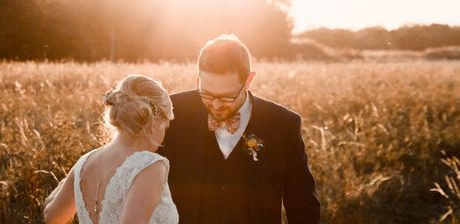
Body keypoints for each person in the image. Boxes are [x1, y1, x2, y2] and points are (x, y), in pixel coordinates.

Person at [159, 35, 321, 224]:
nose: (216, 105)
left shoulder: (283, 124)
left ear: (249, 80)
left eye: (227, 96)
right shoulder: (171, 113)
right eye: (207, 94)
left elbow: (302, 203)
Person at [43, 74, 179, 224]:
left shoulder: (84, 163)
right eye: (166, 126)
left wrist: (65, 185)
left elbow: (52, 216)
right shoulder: (149, 166)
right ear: (154, 121)